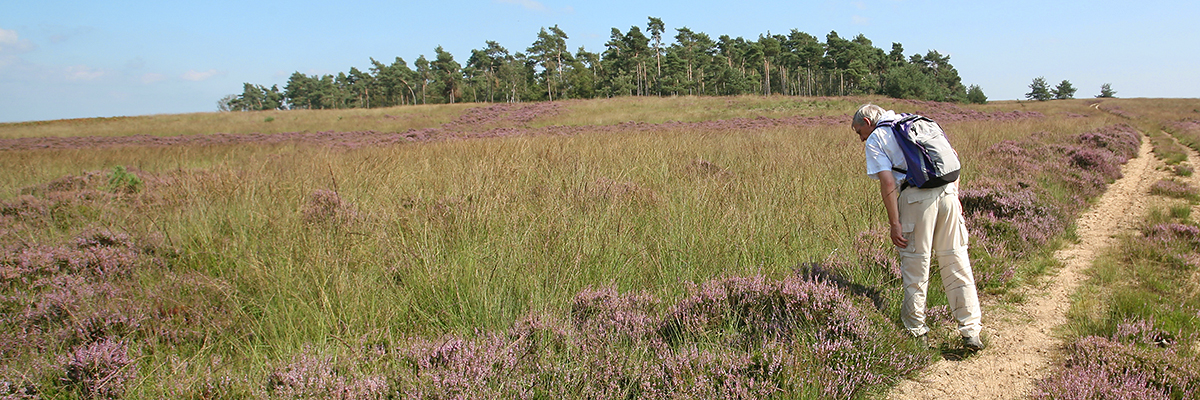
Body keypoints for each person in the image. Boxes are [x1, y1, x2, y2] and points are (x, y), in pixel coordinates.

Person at [850, 104, 984, 351]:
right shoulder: (915, 122)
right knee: (957, 262)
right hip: (947, 194)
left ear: (868, 122)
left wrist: (894, 223)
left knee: (916, 267)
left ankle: (916, 333)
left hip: (916, 199)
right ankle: (971, 331)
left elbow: (888, 182)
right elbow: (952, 158)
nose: (861, 139)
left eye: (859, 132)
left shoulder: (877, 138)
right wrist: (954, 195)